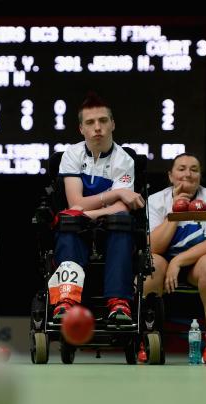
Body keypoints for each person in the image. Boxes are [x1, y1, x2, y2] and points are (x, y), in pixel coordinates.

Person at [50, 94, 145, 324]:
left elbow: (121, 206)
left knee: (122, 219)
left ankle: (119, 302)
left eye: (103, 121)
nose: (98, 127)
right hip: (77, 229)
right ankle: (66, 300)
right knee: (70, 222)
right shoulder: (71, 155)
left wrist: (87, 212)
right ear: (81, 128)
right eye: (90, 123)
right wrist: (116, 193)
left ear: (112, 124)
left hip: (110, 228)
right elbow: (75, 201)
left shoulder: (124, 159)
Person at [144, 153, 206, 364]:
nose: (187, 174)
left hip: (194, 265)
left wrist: (178, 261)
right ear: (170, 176)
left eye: (194, 169)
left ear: (200, 176)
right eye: (181, 169)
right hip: (162, 261)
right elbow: (154, 246)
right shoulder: (155, 200)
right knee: (151, 262)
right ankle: (148, 337)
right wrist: (175, 209)